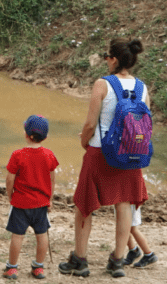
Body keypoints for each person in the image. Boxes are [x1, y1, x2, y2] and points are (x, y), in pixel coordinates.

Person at [59, 38, 150, 279]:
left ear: (115, 59)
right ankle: (118, 261)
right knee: (124, 204)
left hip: (101, 151)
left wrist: (84, 142)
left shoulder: (103, 84)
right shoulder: (142, 87)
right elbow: (146, 125)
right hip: (131, 154)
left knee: (84, 205)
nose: (105, 60)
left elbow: (90, 123)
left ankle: (80, 259)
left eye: (106, 56)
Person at [2, 115, 59, 280]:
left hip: (20, 203)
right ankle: (38, 267)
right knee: (41, 235)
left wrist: (10, 195)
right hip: (41, 203)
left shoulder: (18, 155)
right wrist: (49, 199)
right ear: (46, 137)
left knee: (17, 236)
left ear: (26, 134)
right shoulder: (49, 155)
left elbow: (9, 179)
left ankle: (12, 268)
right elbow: (52, 179)